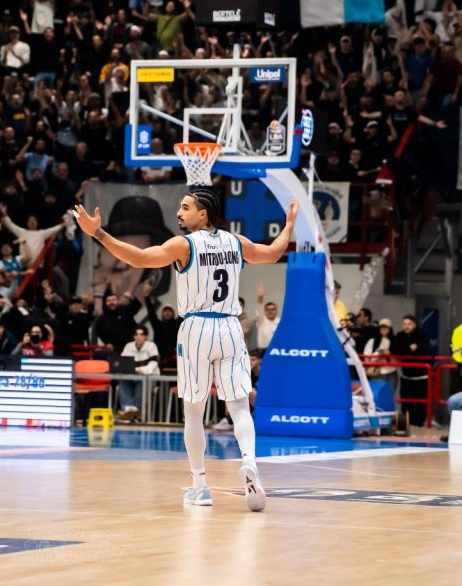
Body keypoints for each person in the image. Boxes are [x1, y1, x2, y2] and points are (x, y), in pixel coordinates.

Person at [73, 188, 299, 512]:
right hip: (230, 327)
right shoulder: (235, 242)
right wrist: (288, 225)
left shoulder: (184, 245)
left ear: (203, 214)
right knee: (239, 406)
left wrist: (98, 234)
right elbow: (274, 253)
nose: (179, 213)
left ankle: (200, 486)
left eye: (185, 207)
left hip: (196, 328)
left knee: (193, 411)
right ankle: (250, 462)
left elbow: (138, 258)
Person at [392, 315, 432, 426]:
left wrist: (406, 351)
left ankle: (419, 423)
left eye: (409, 324)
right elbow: (395, 350)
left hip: (421, 376)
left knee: (421, 402)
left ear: (414, 324)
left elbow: (423, 351)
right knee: (405, 401)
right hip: (406, 376)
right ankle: (407, 422)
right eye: (404, 324)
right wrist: (409, 349)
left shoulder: (422, 335)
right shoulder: (400, 336)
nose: (406, 326)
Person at [117, 326, 160, 422]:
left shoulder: (151, 346)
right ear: (134, 336)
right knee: (124, 380)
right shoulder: (128, 346)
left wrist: (139, 370)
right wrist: (136, 370)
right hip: (132, 376)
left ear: (146, 336)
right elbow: (123, 363)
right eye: (136, 334)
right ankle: (130, 410)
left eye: (141, 334)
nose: (138, 337)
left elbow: (152, 366)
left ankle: (129, 411)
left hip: (149, 377)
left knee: (142, 381)